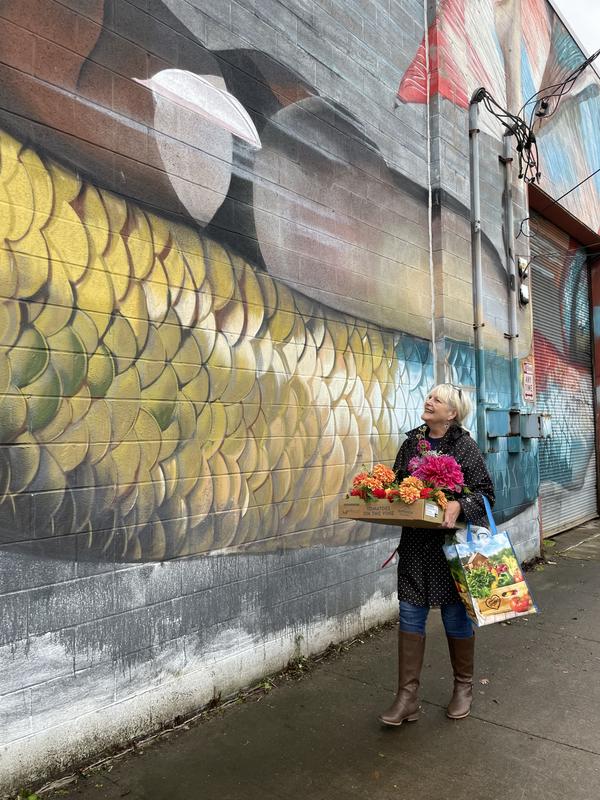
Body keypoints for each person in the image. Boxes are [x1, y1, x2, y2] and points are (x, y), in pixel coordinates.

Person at [378, 383, 495, 726]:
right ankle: (407, 698)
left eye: (436, 399)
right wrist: (385, 494)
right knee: (410, 615)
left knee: (455, 618)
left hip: (451, 549)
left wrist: (459, 504)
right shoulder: (413, 443)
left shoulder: (464, 446)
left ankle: (463, 688)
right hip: (416, 546)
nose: (428, 401)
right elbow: (399, 485)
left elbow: (486, 494)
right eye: (428, 396)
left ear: (452, 412)